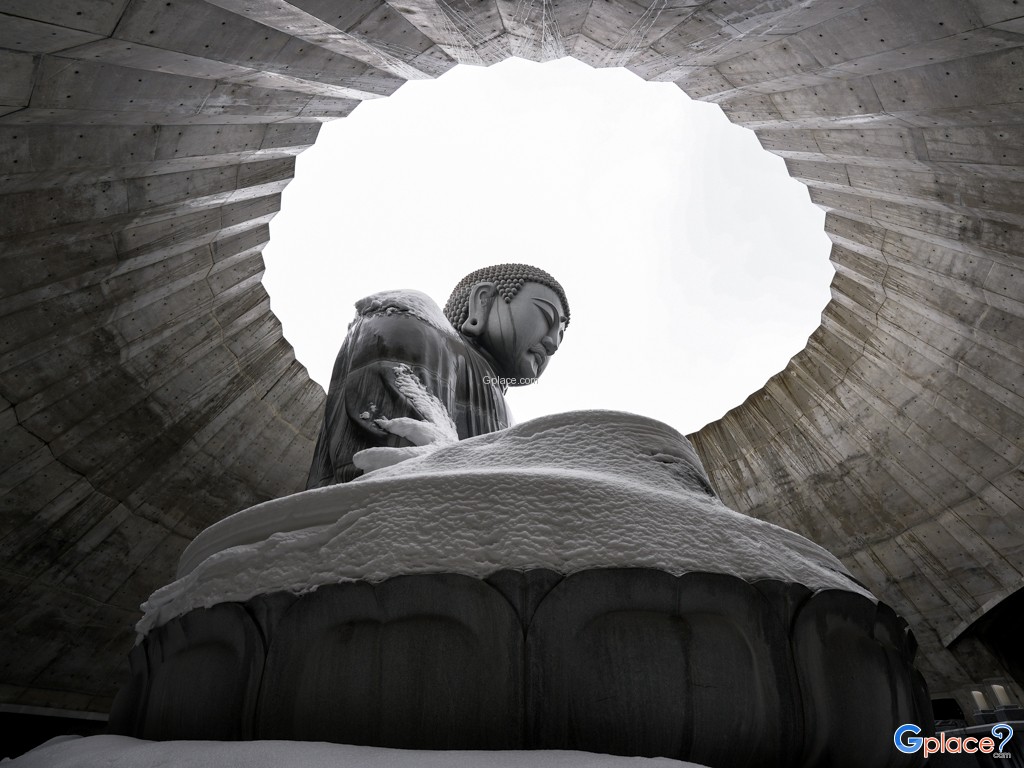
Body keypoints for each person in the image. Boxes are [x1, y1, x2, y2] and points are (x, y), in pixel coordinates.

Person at [305, 263, 569, 488]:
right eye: (547, 317)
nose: (553, 344)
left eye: (561, 333)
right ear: (483, 302)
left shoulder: (507, 413)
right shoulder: (420, 325)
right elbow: (392, 451)